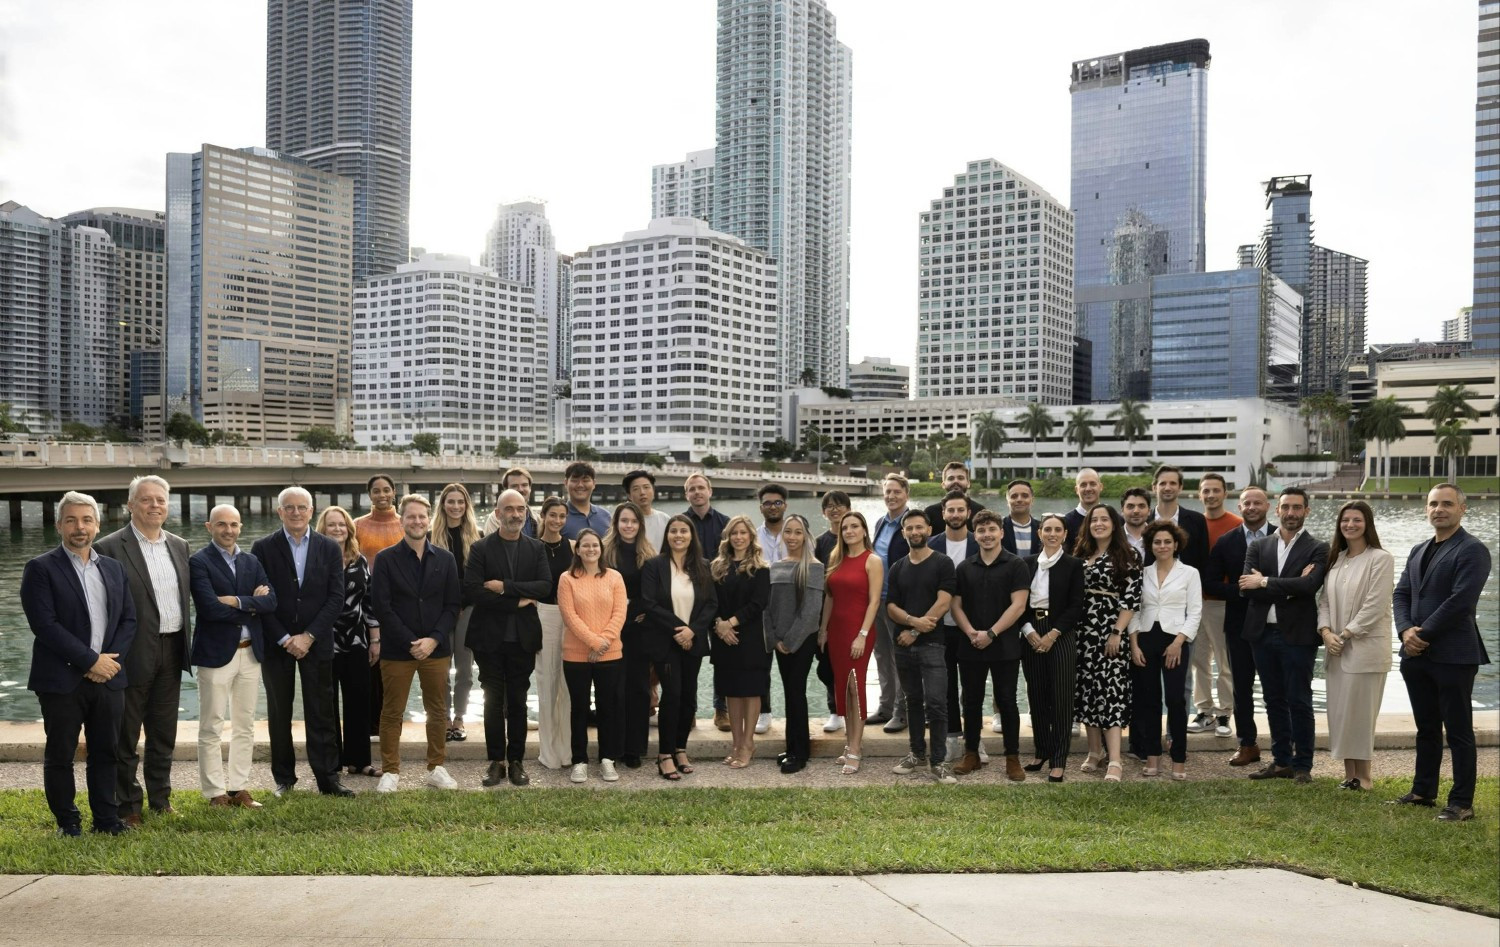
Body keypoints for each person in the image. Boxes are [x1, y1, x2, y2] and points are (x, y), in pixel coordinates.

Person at [22, 491, 136, 836]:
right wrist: (90, 661)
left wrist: (109, 664)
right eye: (71, 520)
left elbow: (128, 620)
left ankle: (106, 820)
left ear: (98, 525)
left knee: (106, 753)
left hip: (108, 679)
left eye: (86, 520)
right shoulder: (40, 568)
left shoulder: (114, 568)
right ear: (59, 525)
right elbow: (44, 625)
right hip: (61, 681)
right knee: (60, 755)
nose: (79, 527)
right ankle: (68, 823)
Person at [95, 475, 192, 826]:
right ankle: (128, 805)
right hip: (130, 653)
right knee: (126, 733)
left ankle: (161, 800)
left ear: (168, 506)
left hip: (173, 648)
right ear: (131, 505)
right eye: (146, 500)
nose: (154, 506)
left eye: (160, 500)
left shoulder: (179, 545)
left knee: (164, 731)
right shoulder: (109, 547)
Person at [1392, 484, 1493, 821]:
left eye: (1447, 504)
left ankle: (1462, 802)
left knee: (1459, 730)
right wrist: (1406, 630)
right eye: (1433, 504)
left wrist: (1422, 634)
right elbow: (1401, 593)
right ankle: (1423, 791)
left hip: (1453, 655)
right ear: (1426, 509)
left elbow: (1461, 601)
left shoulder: (1473, 550)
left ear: (1462, 509)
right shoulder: (1419, 549)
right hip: (1416, 655)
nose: (1439, 509)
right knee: (1427, 727)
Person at [252, 486, 353, 797]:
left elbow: (336, 597)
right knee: (279, 711)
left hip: (316, 640)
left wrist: (308, 636)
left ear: (312, 511)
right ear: (279, 512)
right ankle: (284, 779)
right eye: (289, 507)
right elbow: (260, 598)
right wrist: (284, 637)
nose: (296, 513)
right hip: (276, 642)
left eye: (302, 507)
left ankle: (327, 778)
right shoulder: (263, 547)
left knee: (321, 710)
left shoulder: (329, 547)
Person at [370, 495, 461, 793]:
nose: (417, 521)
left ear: (429, 519)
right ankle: (391, 771)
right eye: (411, 517)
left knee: (438, 711)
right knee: (391, 711)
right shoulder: (385, 559)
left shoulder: (445, 559)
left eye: (422, 516)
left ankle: (436, 767)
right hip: (399, 650)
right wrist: (413, 642)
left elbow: (452, 605)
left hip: (436, 649)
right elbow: (382, 607)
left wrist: (433, 640)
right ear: (402, 520)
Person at [1239, 487, 1329, 784]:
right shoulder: (1259, 545)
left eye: (1297, 508)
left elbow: (1309, 587)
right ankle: (1281, 762)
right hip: (1261, 633)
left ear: (1306, 511)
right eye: (1286, 507)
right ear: (1277, 510)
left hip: (1298, 635)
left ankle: (1303, 765)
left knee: (1299, 700)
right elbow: (1244, 585)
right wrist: (1289, 584)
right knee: (1273, 699)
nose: (1291, 513)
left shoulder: (1318, 548)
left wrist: (1264, 581)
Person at [189, 504, 275, 809]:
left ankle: (239, 789)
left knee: (244, 724)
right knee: (211, 725)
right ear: (209, 527)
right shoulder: (199, 562)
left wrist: (236, 601)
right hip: (215, 655)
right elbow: (209, 609)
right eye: (222, 524)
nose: (229, 530)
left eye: (234, 524)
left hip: (250, 653)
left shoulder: (251, 560)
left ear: (240, 527)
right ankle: (215, 792)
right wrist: (253, 602)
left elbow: (272, 602)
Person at [465, 489, 553, 787]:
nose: (516, 514)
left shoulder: (536, 548)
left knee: (517, 700)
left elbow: (543, 586)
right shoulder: (480, 548)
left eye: (521, 509)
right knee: (492, 701)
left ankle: (516, 761)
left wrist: (504, 586)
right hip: (488, 638)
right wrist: (516, 599)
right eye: (509, 509)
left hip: (523, 639)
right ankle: (495, 761)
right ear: (498, 513)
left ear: (527, 513)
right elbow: (474, 590)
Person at [1317, 500, 1394, 792]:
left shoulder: (1380, 559)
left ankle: (1365, 778)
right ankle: (1350, 775)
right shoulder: (1337, 559)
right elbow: (1324, 601)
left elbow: (1375, 605)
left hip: (1363, 650)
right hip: (1335, 648)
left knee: (1360, 714)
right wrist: (1325, 632)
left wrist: (1345, 634)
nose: (1350, 525)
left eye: (1357, 520)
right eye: (1345, 520)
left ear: (1367, 524)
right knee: (1341, 714)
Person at [950, 510, 1031, 780]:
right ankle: (971, 753)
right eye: (982, 531)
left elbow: (1019, 606)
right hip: (971, 644)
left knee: (1007, 701)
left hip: (1004, 645)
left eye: (991, 530)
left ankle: (1012, 757)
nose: (987, 535)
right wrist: (972, 631)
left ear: (1001, 532)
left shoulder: (1016, 564)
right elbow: (956, 605)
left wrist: (991, 634)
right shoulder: (964, 567)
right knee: (971, 701)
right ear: (976, 535)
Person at [640, 515, 718, 780]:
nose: (678, 535)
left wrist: (693, 631)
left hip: (692, 642)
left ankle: (680, 748)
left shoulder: (702, 566)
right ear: (667, 535)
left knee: (688, 697)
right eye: (673, 531)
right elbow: (649, 604)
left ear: (691, 535)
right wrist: (679, 629)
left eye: (683, 531)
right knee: (672, 695)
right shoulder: (654, 566)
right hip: (666, 641)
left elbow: (710, 604)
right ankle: (664, 755)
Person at [887, 510, 958, 784]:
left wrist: (915, 630)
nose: (915, 532)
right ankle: (916, 754)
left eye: (919, 527)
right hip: (902, 646)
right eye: (909, 528)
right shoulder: (897, 567)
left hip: (932, 645)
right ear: (903, 532)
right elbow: (890, 605)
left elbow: (944, 602)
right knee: (912, 701)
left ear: (929, 529)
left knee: (938, 703)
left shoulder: (943, 563)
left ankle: (938, 762)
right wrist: (910, 621)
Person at [1073, 504, 1142, 783]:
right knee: (1087, 692)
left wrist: (1117, 631)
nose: (1099, 524)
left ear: (1115, 523)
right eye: (1094, 520)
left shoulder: (1128, 555)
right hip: (1082, 633)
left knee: (1110, 692)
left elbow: (1131, 599)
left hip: (1109, 633)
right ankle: (1094, 752)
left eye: (1104, 519)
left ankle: (1114, 759)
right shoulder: (1080, 553)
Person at [1204, 485, 1272, 765]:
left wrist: (1266, 586)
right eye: (1247, 503)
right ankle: (1248, 744)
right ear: (1240, 507)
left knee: (1276, 688)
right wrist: (1242, 590)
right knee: (1242, 688)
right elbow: (1209, 582)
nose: (1252, 507)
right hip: (1239, 625)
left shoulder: (1283, 538)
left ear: (1268, 506)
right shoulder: (1227, 541)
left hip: (1276, 624)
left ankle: (1283, 746)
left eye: (1258, 502)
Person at [1130, 519, 1202, 781]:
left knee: (1175, 700)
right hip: (1146, 639)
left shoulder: (1190, 573)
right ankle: (1152, 757)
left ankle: (1179, 759)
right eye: (1157, 542)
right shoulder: (1143, 572)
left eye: (1167, 542)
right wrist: (1134, 644)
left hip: (1175, 641)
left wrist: (1178, 642)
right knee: (1148, 701)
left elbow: (1195, 612)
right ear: (1150, 545)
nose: (1162, 546)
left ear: (1176, 544)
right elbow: (1135, 611)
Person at [557, 528, 628, 783]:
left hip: (610, 654)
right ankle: (580, 760)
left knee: (608, 707)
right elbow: (569, 615)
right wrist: (593, 642)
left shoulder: (614, 577)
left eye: (594, 546)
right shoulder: (567, 579)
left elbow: (619, 613)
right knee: (579, 708)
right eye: (585, 546)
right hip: (576, 655)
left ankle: (607, 759)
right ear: (577, 550)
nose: (590, 550)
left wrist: (603, 642)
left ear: (601, 548)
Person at [1019, 513, 1085, 782]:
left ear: (1065, 534)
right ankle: (1042, 750)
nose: (1052, 533)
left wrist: (1053, 634)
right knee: (1037, 695)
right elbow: (1018, 603)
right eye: (1047, 529)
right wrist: (1029, 631)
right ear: (1039, 533)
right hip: (1031, 631)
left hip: (1061, 633)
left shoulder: (1073, 565)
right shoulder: (1025, 564)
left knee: (1060, 698)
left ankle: (1059, 759)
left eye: (1058, 529)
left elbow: (1076, 606)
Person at [315, 505, 380, 778]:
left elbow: (368, 601)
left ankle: (359, 761)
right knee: (327, 705)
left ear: (349, 529)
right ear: (323, 528)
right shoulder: (314, 559)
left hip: (356, 641)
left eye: (342, 525)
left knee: (358, 702)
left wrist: (374, 638)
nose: (338, 529)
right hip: (324, 641)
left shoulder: (359, 559)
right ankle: (332, 763)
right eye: (332, 525)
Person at [820, 511, 883, 775]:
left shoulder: (873, 560)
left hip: (859, 632)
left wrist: (863, 634)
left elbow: (874, 601)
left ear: (864, 530)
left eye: (854, 526)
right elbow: (830, 598)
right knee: (842, 689)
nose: (849, 531)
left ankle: (856, 748)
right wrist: (822, 630)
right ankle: (848, 744)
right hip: (835, 632)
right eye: (845, 527)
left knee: (855, 688)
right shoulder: (837, 558)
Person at [766, 514, 825, 774]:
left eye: (797, 532)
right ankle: (792, 746)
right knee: (790, 695)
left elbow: (811, 612)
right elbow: (767, 608)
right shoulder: (775, 566)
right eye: (787, 532)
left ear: (806, 536)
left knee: (796, 693)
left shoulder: (813, 566)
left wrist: (790, 641)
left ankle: (800, 753)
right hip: (780, 642)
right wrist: (775, 639)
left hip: (802, 641)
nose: (791, 537)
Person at [710, 515, 771, 767]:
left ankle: (748, 744)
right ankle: (735, 743)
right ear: (728, 536)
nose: (738, 537)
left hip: (750, 638)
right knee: (731, 693)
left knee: (750, 691)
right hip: (723, 637)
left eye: (743, 533)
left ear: (750, 537)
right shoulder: (717, 567)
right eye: (734, 533)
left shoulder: (761, 568)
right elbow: (709, 601)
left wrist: (730, 623)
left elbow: (758, 603)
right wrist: (719, 625)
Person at [1188, 473, 1243, 737]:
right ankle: (1204, 711)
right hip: (1194, 603)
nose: (1210, 495)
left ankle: (1224, 714)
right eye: (1206, 490)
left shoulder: (1237, 524)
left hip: (1222, 603)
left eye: (1215, 490)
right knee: (1199, 660)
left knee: (1224, 661)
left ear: (1225, 493)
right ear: (1199, 494)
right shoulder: (1194, 523)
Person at [605, 501, 657, 768]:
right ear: (616, 523)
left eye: (633, 521)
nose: (628, 525)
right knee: (614, 688)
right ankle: (613, 747)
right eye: (624, 520)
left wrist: (636, 612)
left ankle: (635, 748)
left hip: (639, 629)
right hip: (610, 630)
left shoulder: (648, 554)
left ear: (640, 525)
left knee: (638, 688)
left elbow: (652, 594)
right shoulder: (605, 552)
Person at [930, 491, 979, 764]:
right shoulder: (932, 544)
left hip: (972, 627)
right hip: (941, 628)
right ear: (943, 513)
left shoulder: (980, 542)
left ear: (968, 513)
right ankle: (951, 738)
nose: (956, 515)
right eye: (951, 510)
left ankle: (974, 741)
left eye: (960, 510)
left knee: (973, 687)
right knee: (945, 686)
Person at [429, 484, 479, 745]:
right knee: (439, 668)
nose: (456, 506)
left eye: (461, 501)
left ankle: (459, 717)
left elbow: (477, 578)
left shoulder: (476, 536)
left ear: (467, 505)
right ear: (443, 504)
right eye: (451, 502)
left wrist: (462, 603)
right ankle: (443, 718)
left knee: (464, 669)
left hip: (467, 611)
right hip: (438, 611)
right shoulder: (430, 536)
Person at [354, 473, 403, 739]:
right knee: (369, 665)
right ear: (369, 494)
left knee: (395, 668)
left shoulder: (405, 523)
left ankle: (392, 723)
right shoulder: (357, 525)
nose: (382, 495)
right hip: (364, 605)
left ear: (394, 492)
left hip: (398, 606)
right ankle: (370, 725)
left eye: (386, 490)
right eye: (376, 491)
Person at [532, 496, 575, 769]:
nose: (557, 520)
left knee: (568, 687)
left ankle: (565, 751)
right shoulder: (532, 547)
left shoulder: (573, 547)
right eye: (553, 515)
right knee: (547, 683)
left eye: (562, 516)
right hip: (543, 615)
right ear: (543, 516)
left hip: (571, 617)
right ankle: (548, 753)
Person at [867, 474, 914, 732]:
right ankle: (885, 706)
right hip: (877, 601)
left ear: (906, 494)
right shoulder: (880, 523)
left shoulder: (911, 523)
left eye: (896, 491)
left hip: (899, 603)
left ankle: (901, 711)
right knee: (882, 656)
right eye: (887, 492)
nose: (891, 496)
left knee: (900, 659)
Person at [813, 490, 851, 733]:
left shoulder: (854, 538)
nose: (834, 510)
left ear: (848, 508)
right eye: (829, 506)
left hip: (849, 610)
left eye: (839, 505)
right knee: (826, 664)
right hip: (824, 610)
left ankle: (850, 711)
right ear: (823, 512)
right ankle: (834, 710)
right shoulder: (819, 542)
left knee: (849, 664)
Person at [923, 461, 987, 530]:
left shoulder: (980, 511)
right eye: (951, 478)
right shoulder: (930, 513)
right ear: (943, 484)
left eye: (960, 478)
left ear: (968, 483)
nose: (956, 481)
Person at [683, 473, 730, 562]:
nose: (697, 492)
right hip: (688, 574)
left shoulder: (725, 522)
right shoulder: (679, 523)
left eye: (701, 488)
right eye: (692, 489)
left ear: (710, 492)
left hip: (717, 574)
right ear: (687, 496)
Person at [623, 469, 671, 551]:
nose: (642, 492)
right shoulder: (624, 522)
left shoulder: (665, 519)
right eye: (636, 489)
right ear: (629, 496)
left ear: (653, 490)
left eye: (646, 487)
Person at [484, 466, 538, 537]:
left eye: (524, 485)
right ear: (506, 490)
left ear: (530, 488)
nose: (520, 489)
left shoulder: (537, 519)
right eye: (514, 486)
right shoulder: (494, 519)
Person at [562, 461, 610, 540]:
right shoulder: (558, 517)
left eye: (585, 480)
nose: (580, 485)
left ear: (594, 483)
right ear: (566, 483)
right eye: (574, 480)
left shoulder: (606, 516)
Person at [1061, 468, 1103, 550]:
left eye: (1093, 484)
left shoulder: (1114, 519)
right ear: (1077, 490)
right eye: (1083, 485)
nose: (1088, 489)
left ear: (1100, 487)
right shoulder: (1065, 522)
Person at [999, 479, 1035, 558]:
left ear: (1032, 500)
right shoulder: (998, 528)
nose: (1019, 499)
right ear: (1007, 501)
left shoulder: (1043, 529)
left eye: (1025, 496)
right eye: (1014, 496)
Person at [1119, 487, 1152, 563]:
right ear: (1122, 511)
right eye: (1130, 506)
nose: (1136, 511)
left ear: (1149, 511)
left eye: (1141, 506)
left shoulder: (1158, 536)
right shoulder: (1113, 537)